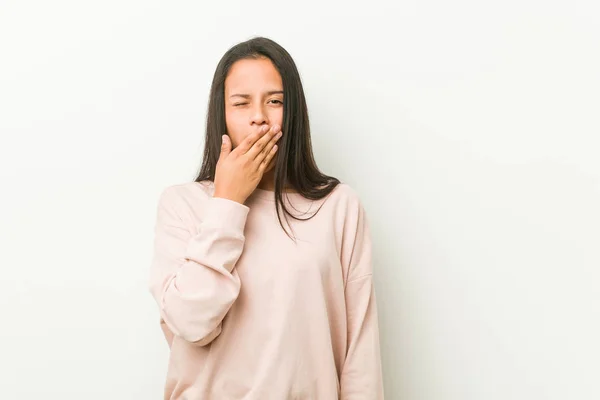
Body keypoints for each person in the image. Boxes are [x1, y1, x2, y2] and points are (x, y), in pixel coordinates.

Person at [148, 36, 384, 399]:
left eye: (275, 101)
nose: (259, 115)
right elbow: (192, 323)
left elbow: (360, 358)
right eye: (241, 103)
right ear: (222, 116)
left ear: (294, 114)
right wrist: (227, 201)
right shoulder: (183, 204)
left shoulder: (339, 206)